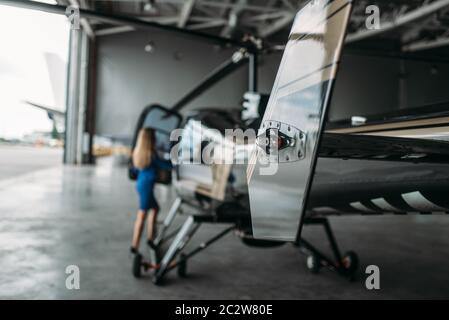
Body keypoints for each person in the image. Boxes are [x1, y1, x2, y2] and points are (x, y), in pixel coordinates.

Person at [130, 128, 172, 254]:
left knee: (153, 209)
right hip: (147, 187)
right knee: (142, 214)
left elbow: (135, 171)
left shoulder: (138, 153)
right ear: (150, 140)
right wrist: (177, 164)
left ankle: (149, 238)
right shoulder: (151, 155)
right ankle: (135, 246)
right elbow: (165, 165)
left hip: (141, 185)